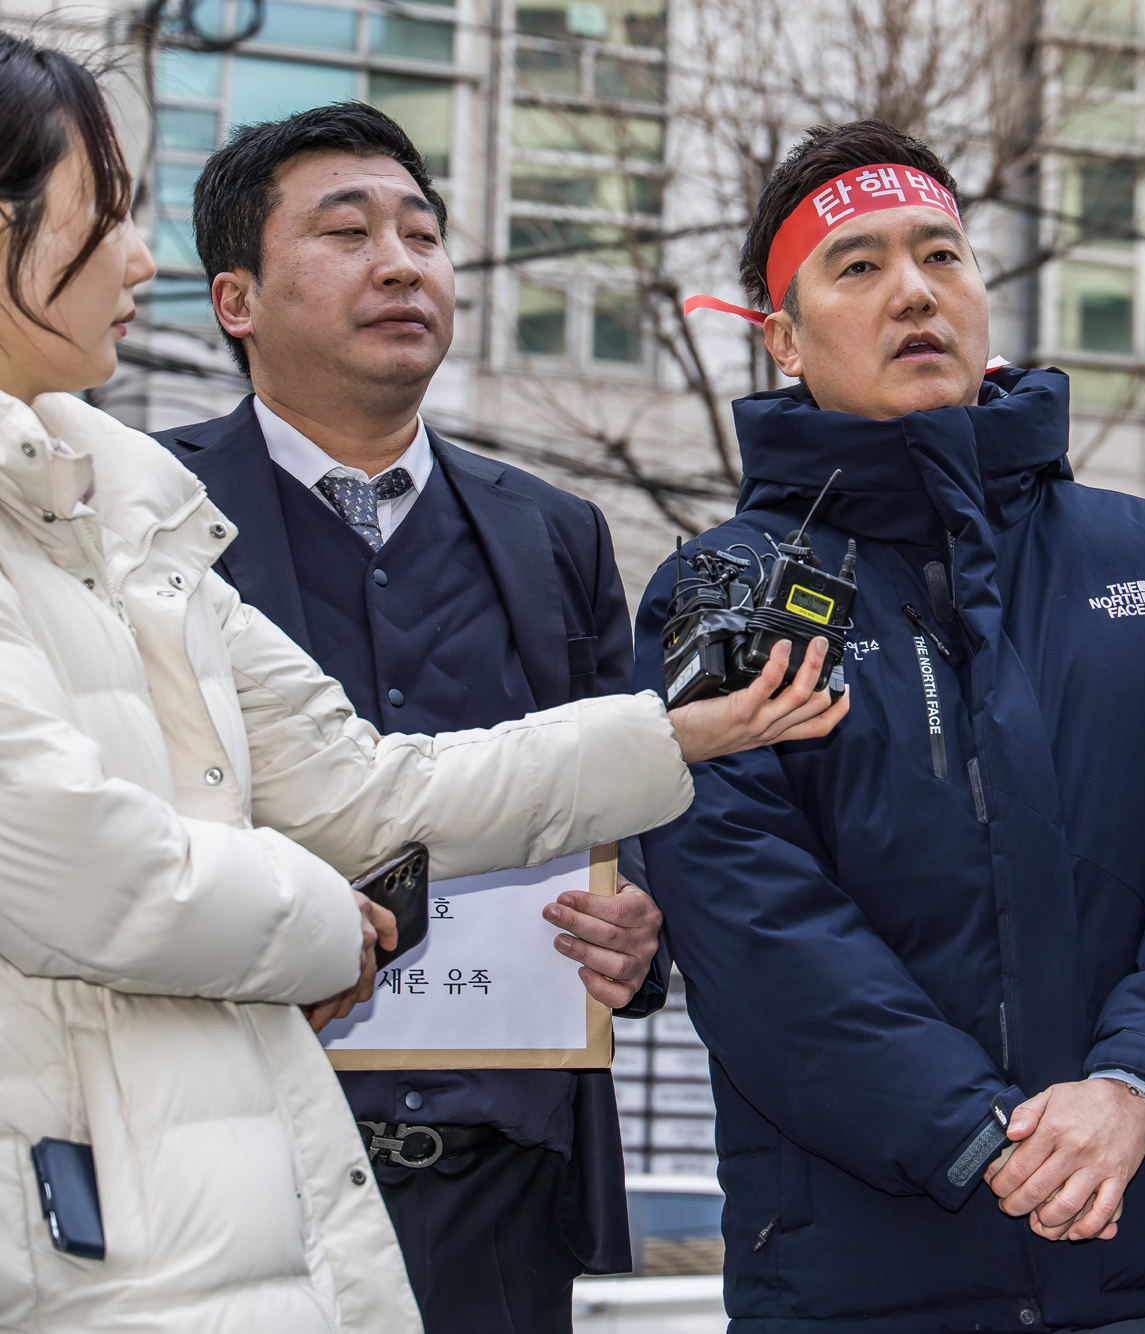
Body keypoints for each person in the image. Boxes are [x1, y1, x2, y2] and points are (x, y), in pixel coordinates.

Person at [0, 35, 820, 1334]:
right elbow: (90, 869)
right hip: (105, 1194)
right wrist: (341, 928)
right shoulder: (164, 499)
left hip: (421, 1183)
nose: (135, 260)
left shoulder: (129, 520)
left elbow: (367, 784)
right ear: (241, 298)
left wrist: (673, 742)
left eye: (422, 230)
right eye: (103, 218)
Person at [634, 120, 1145, 1330]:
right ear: (783, 340)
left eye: (941, 255)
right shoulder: (721, 593)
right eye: (857, 266)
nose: (913, 291)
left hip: (1142, 1250)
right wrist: (977, 1132)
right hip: (863, 1271)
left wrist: (1132, 1083)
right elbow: (747, 909)